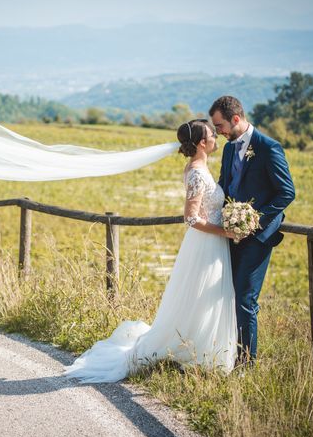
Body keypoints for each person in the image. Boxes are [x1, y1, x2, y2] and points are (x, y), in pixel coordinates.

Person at [64, 119, 239, 383]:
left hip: (210, 243)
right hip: (205, 242)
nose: (216, 136)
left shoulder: (201, 168)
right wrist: (224, 232)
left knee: (202, 297)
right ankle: (195, 353)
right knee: (200, 295)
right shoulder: (195, 172)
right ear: (203, 142)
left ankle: (204, 350)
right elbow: (191, 218)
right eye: (213, 134)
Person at [209, 96, 295, 365]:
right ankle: (227, 354)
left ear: (236, 119)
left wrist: (252, 220)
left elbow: (286, 192)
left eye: (220, 125)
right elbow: (226, 185)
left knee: (245, 297)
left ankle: (247, 363)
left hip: (258, 236)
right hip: (229, 235)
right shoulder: (228, 149)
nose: (218, 131)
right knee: (228, 293)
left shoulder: (268, 148)